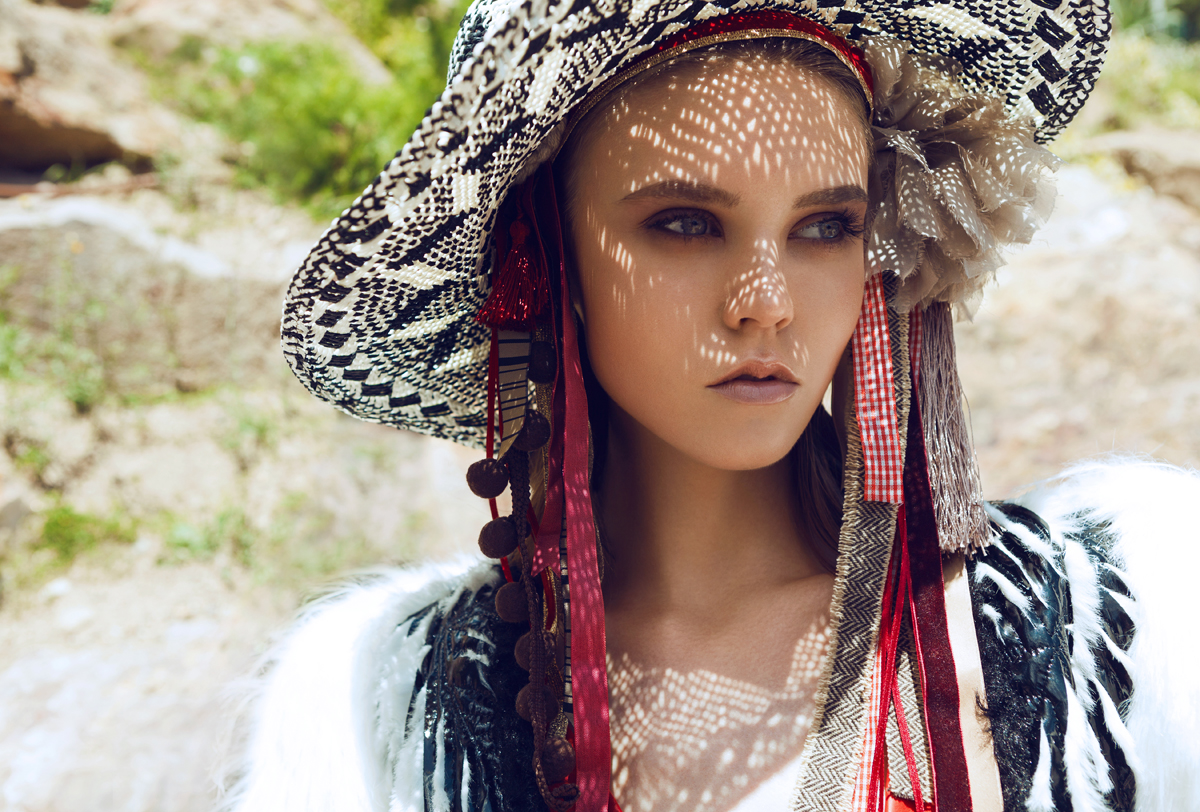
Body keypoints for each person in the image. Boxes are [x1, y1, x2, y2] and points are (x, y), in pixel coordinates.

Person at [221, 2, 1200, 811]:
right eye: (685, 222)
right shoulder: (389, 719)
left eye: (826, 226)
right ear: (547, 255)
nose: (766, 302)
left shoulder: (1114, 635)